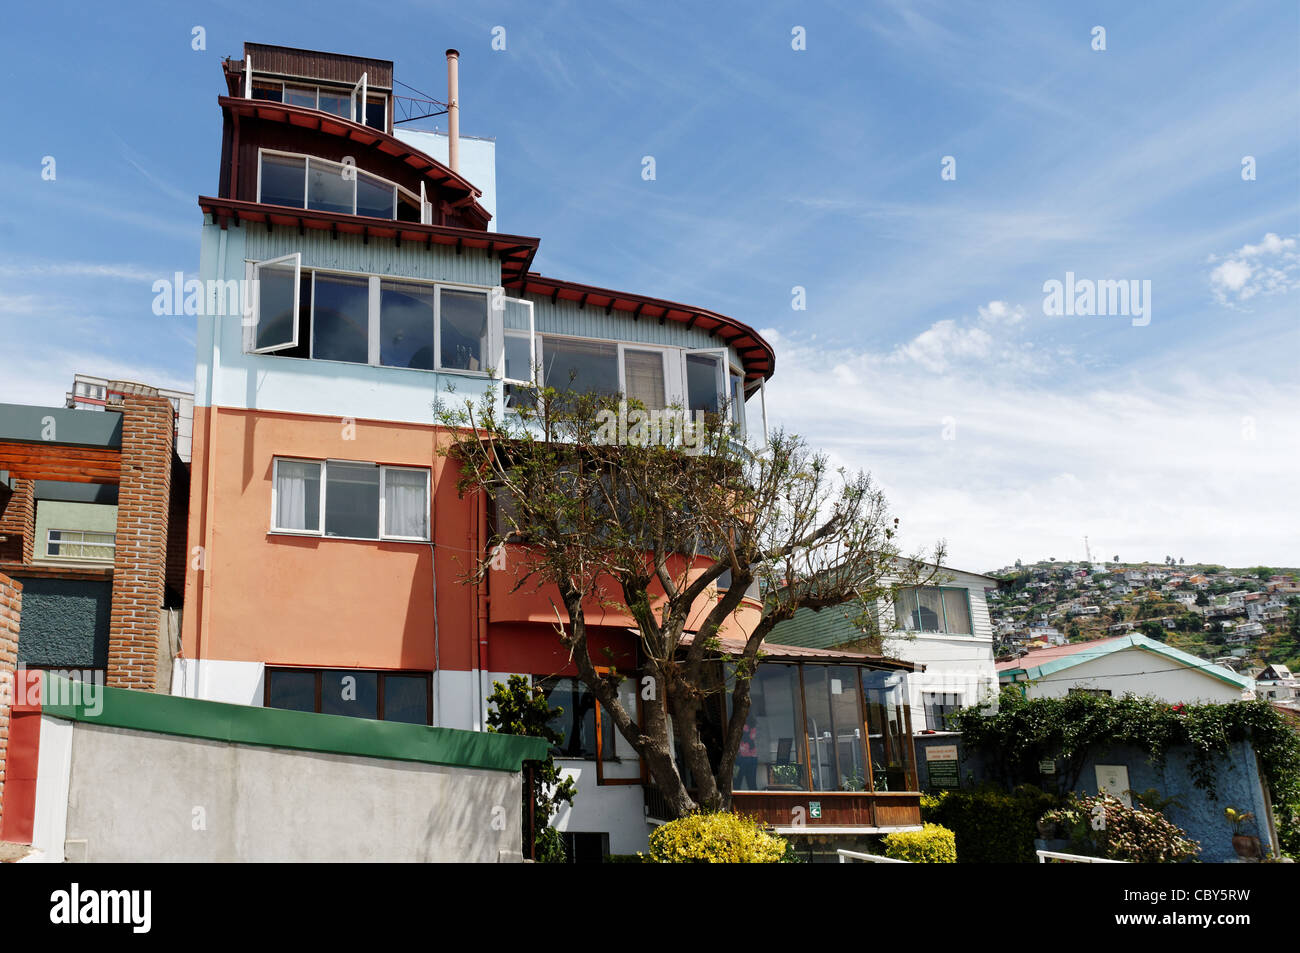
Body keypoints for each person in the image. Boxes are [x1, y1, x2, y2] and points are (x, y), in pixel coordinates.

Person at [735, 722, 759, 790]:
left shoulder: (753, 725)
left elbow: (753, 738)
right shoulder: (736, 722)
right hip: (738, 759)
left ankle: (755, 800)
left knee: (751, 784)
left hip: (750, 759)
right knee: (736, 784)